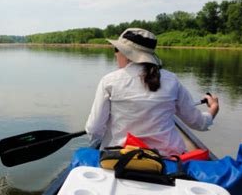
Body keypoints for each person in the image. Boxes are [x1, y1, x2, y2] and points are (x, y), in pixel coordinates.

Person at [84, 28, 219, 156]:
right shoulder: (172, 80)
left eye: (116, 49)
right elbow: (199, 122)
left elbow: (94, 129)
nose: (115, 54)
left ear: (126, 54)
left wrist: (104, 136)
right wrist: (213, 108)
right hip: (167, 159)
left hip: (120, 157)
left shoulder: (109, 81)